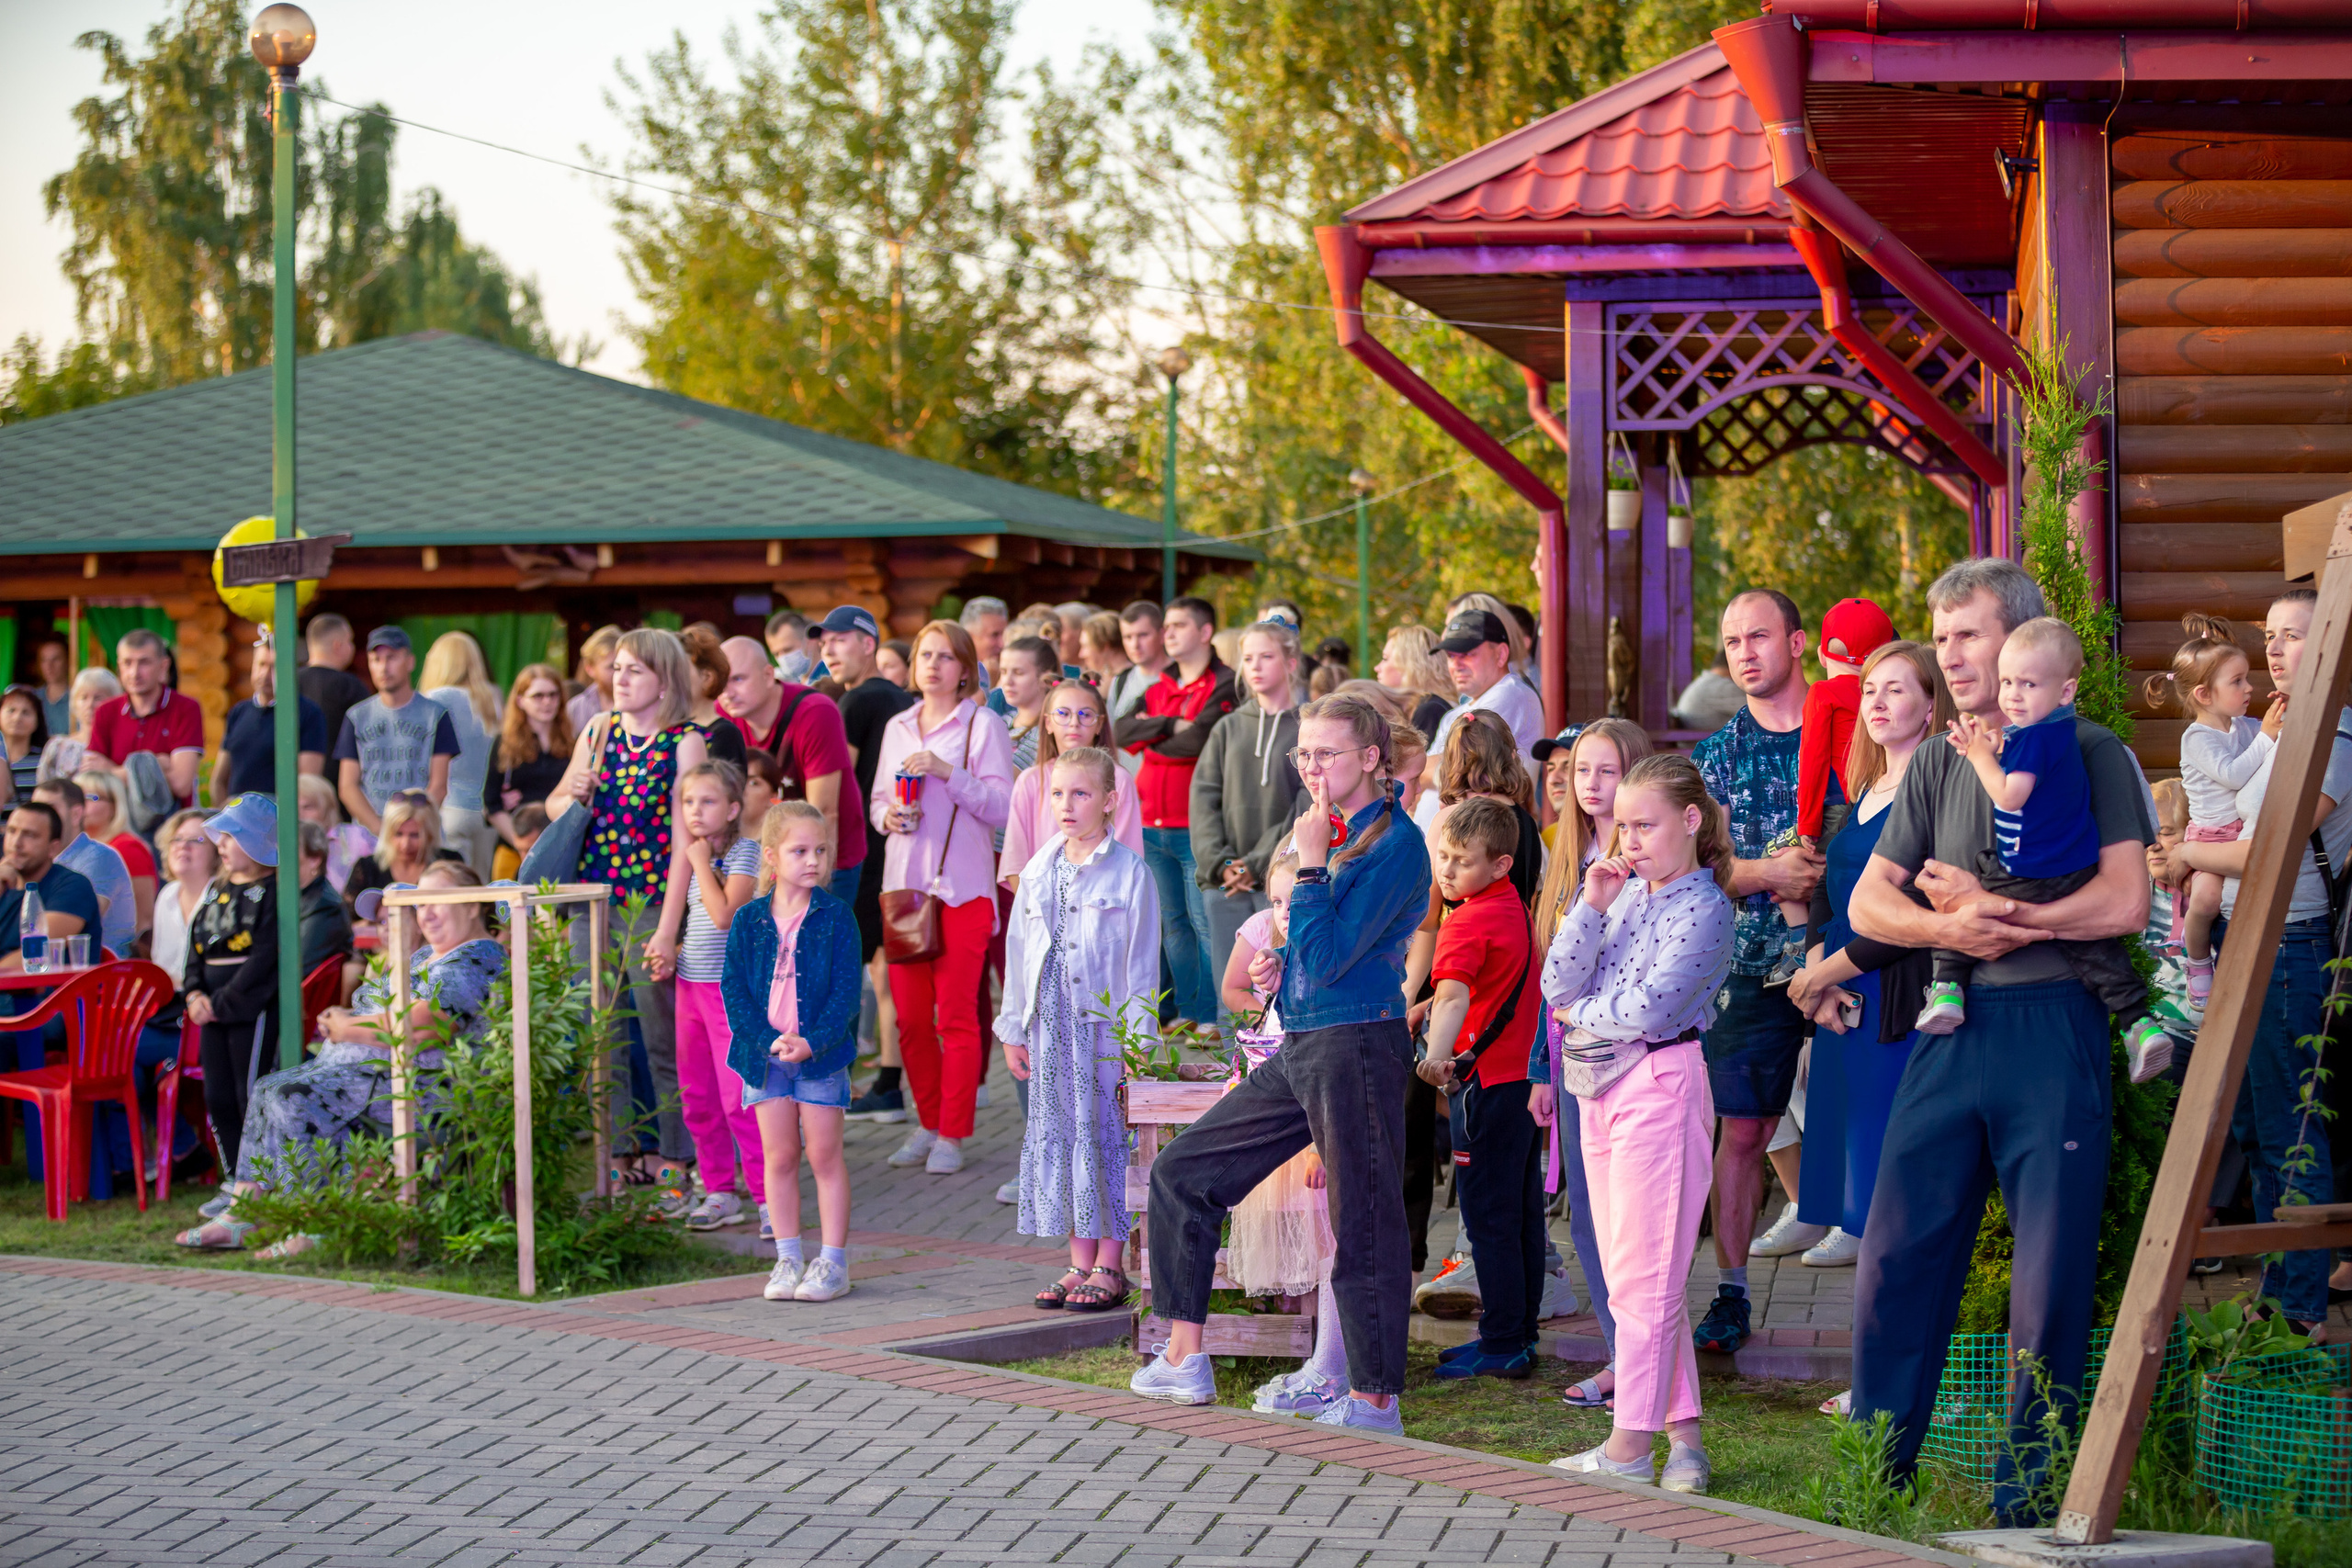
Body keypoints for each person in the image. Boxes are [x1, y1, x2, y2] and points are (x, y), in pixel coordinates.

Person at [1849, 558, 2155, 1521]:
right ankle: (1873, 1477)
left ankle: (2028, 1503)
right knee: (1895, 1254)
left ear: (2021, 635)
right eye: (1938, 639)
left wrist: (2005, 920)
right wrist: (1947, 929)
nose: (1951, 655)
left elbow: (2126, 900)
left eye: (1968, 634)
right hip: (1950, 1026)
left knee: (2050, 1276)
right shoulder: (1939, 757)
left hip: (2052, 1028)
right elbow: (1869, 902)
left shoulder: (2089, 748)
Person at [1135, 693, 1430, 1431]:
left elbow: (1335, 958)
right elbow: (1313, 954)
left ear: (1370, 758)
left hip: (1358, 1042)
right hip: (1302, 1040)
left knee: (1362, 1219)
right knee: (1184, 1171)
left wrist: (1309, 868)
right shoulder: (1328, 830)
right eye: (1303, 753)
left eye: (1326, 753)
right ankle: (1184, 1358)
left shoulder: (1397, 842)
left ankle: (1374, 1399)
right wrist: (1278, 967)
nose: (1311, 767)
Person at [1540, 752, 1736, 1494]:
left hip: (1661, 1083)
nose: (1628, 840)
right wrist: (1589, 905)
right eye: (1621, 825)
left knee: (1646, 1277)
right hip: (1600, 1088)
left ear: (1690, 820)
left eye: (1644, 824)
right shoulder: (1619, 894)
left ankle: (1629, 1447)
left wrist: (1577, 1018)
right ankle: (1684, 1441)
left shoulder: (1708, 907)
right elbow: (1557, 979)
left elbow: (1648, 1013)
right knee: (1632, 1278)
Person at [2159, 584, 2341, 1341]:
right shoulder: (2256, 726)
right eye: (2270, 634)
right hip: (2241, 932)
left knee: (2291, 1122)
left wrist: (2190, 852)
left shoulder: (2336, 731)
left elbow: (2274, 837)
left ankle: (2299, 1305)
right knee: (2260, 1123)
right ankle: (2278, 1287)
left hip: (2291, 940)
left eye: (2293, 635)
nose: (2273, 648)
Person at [180, 857, 506, 1254]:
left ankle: (315, 1225)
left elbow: (429, 1025)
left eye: (436, 900)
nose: (426, 914)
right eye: (420, 904)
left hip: (422, 1090)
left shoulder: (474, 957)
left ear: (473, 905)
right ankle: (242, 1215)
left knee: (292, 1097)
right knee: (269, 1088)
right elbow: (388, 1010)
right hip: (375, 1079)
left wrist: (347, 1029)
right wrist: (345, 1019)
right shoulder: (427, 957)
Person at [1917, 618, 2172, 1077]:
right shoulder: (2056, 729)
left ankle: (1948, 987)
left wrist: (1978, 759)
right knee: (2097, 952)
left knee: (1963, 904)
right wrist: (1992, 747)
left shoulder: (2034, 737)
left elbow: (2010, 795)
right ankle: (2140, 1024)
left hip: (2028, 868)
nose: (2012, 694)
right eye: (2009, 681)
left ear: (2066, 691)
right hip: (2072, 868)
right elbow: (2027, 761)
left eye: (2028, 684)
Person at [1781, 642, 1951, 1275]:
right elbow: (1832, 892)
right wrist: (1819, 974)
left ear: (1932, 706)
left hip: (1895, 997)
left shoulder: (1934, 790)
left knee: (1888, 1176)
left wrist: (1821, 975)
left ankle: (1886, 1349)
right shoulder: (1866, 788)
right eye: (1870, 690)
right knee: (1853, 1159)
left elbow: (1911, 912)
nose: (1876, 702)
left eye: (1896, 689)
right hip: (1844, 1002)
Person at [1688, 588, 1821, 1358]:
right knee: (1743, 1127)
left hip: (1850, 954)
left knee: (1877, 1119)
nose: (1744, 651)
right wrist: (1770, 871)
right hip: (1746, 965)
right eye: (1732, 639)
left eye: (1759, 635)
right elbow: (1699, 868)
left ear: (1797, 643)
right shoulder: (1715, 757)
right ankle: (1731, 1292)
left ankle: (1886, 1284)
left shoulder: (1847, 735)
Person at [547, 627, 710, 1190]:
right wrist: (574, 794)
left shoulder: (685, 741)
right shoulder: (597, 730)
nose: (620, 678)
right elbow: (554, 807)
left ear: (664, 681)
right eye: (616, 668)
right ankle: (614, 1155)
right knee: (602, 1035)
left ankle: (675, 1157)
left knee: (663, 1036)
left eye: (634, 669)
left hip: (648, 900)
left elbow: (688, 840)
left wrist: (668, 929)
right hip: (590, 900)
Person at [997, 746, 1159, 1313]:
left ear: (1110, 801)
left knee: (1105, 1135)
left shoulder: (1131, 872)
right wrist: (1013, 1027)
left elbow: (1141, 963)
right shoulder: (1040, 867)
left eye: (1081, 793)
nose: (1067, 805)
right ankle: (1078, 1260)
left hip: (1103, 1028)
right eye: (1058, 794)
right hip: (1051, 1025)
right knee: (1064, 1134)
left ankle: (1111, 1265)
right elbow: (1019, 950)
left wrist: (1140, 1045)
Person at [1521, 716, 1650, 1411]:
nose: (1589, 785)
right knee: (1588, 1219)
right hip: (1570, 1057)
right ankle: (1618, 1354)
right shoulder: (1565, 854)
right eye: (1579, 772)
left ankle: (1644, 1358)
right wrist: (1543, 1067)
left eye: (1606, 770)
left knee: (1628, 1216)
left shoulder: (1647, 854)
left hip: (1631, 1057)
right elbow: (1553, 975)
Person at [869, 621, 1014, 1175]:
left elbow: (1001, 807)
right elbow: (881, 797)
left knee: (956, 1017)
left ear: (964, 668)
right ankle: (926, 1123)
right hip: (904, 887)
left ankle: (952, 1133)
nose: (932, 665)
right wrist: (891, 815)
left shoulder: (983, 724)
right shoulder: (898, 725)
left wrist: (946, 772)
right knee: (908, 1019)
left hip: (964, 888)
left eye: (946, 657)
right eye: (925, 655)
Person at [1414, 796, 1547, 1382]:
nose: (1446, 871)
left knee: (1490, 1220)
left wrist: (1434, 1058)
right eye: (1442, 856)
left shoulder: (1464, 921)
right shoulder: (1513, 906)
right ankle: (1519, 1332)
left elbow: (1455, 997)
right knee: (1521, 1216)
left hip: (1485, 1086)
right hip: (1521, 1079)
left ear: (1498, 863)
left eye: (1461, 861)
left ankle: (1499, 1345)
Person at [728, 799, 862, 1303]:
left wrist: (813, 1042)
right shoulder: (748, 920)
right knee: (779, 1156)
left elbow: (847, 993)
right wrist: (767, 1041)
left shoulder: (836, 916)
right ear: (771, 856)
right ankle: (788, 1257)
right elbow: (734, 991)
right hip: (765, 1059)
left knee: (824, 1155)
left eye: (821, 850)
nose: (813, 860)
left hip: (820, 1058)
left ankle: (833, 1263)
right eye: (800, 850)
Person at [648, 761, 765, 1233]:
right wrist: (668, 952)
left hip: (727, 991)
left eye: (708, 801)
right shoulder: (692, 854)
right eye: (689, 802)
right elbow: (684, 922)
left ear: (733, 807)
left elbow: (723, 916)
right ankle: (719, 1190)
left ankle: (766, 1196)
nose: (695, 811)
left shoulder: (744, 853)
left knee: (738, 1096)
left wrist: (697, 860)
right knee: (696, 1095)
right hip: (690, 988)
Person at [1115, 596, 1237, 1037]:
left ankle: (1213, 1018)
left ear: (1204, 632)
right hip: (1150, 822)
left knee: (1205, 922)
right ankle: (1189, 1011)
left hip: (1197, 824)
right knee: (1172, 925)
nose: (1168, 634)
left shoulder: (1226, 682)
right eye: (1165, 626)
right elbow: (1120, 730)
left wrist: (1154, 736)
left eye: (1178, 626)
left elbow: (1200, 742)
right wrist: (1169, 725)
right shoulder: (1157, 682)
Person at [816, 606, 917, 1122]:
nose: (827, 650)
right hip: (897, 851)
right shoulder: (905, 700)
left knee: (845, 971)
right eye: (823, 643)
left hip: (864, 855)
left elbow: (837, 783)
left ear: (869, 643)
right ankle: (890, 1082)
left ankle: (836, 1083)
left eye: (839, 640)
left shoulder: (857, 700)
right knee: (885, 972)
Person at [2148, 615, 2269, 1009]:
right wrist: (2269, 735)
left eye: (2246, 678)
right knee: (2205, 900)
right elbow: (2233, 775)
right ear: (2203, 694)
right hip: (2209, 835)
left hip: (2240, 831)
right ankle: (2197, 960)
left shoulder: (2242, 727)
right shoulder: (2197, 737)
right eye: (2237, 682)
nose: (2249, 687)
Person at [1773, 598, 1894, 984]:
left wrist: (1806, 824)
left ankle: (1797, 944)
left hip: (1836, 810)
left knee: (1777, 855)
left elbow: (1811, 761)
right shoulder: (1881, 691)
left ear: (1824, 654)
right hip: (1875, 806)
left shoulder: (1822, 694)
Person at [1192, 621, 1307, 1001]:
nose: (1255, 666)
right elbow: (1204, 796)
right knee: (1233, 994)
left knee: (1275, 993)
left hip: (1279, 886)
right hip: (1224, 882)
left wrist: (1256, 864)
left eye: (1267, 656)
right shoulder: (1226, 728)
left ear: (1291, 663)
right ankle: (1231, 1063)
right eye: (1248, 658)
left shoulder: (1307, 729)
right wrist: (1222, 862)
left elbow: (1303, 808)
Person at [178, 794, 283, 1196]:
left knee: (249, 1096)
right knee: (217, 1097)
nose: (219, 844)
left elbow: (265, 955)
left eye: (230, 836)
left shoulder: (273, 891)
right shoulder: (213, 891)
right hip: (209, 1010)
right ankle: (234, 1179)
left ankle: (257, 1183)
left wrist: (222, 1003)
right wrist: (193, 995)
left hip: (249, 1012)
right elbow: (195, 948)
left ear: (257, 839)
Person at [718, 636, 862, 902]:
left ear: (768, 674)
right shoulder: (722, 715)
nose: (728, 692)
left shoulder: (815, 711)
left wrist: (816, 892)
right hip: (763, 858)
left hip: (827, 856)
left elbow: (825, 812)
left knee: (817, 940)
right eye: (722, 681)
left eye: (738, 679)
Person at [1001, 681, 1142, 888]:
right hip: (1041, 906)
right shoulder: (1029, 780)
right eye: (1063, 713)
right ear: (1048, 723)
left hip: (1102, 904)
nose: (1074, 722)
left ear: (1100, 724)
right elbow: (1015, 862)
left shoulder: (1118, 779)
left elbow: (1128, 855)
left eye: (1085, 714)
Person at [1419, 607, 1544, 822]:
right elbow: (1422, 772)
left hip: (1485, 839)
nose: (1456, 664)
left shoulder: (1510, 693)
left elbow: (1460, 770)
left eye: (1468, 654)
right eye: (1450, 655)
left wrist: (1429, 769)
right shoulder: (1456, 714)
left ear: (1501, 654)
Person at [334, 627, 459, 836]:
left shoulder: (436, 715)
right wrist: (379, 828)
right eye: (376, 659)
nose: (384, 667)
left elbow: (438, 786)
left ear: (410, 662)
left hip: (420, 833)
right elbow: (347, 786)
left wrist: (410, 829)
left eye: (391, 658)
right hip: (371, 836)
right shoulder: (356, 717)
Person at [1433, 712, 1544, 909]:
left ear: (1451, 762)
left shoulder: (1449, 818)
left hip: (1460, 935)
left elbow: (1426, 913)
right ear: (1511, 757)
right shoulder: (1527, 823)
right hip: (1513, 935)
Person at [86, 627, 205, 810]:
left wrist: (111, 770)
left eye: (144, 663)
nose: (134, 673)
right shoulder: (105, 711)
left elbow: (182, 785)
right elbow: (92, 782)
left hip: (170, 825)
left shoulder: (186, 708)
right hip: (118, 825)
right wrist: (158, 765)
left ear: (163, 666)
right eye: (127, 663)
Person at [417, 631, 503, 875]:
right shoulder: (492, 699)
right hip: (486, 813)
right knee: (483, 890)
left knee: (453, 890)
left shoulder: (434, 699)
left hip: (450, 808)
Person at [214, 635, 328, 802]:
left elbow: (307, 786)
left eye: (274, 667)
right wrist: (224, 815)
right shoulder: (239, 712)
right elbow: (218, 780)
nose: (265, 674)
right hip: (236, 819)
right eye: (261, 665)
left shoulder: (307, 713)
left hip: (279, 820)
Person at [31, 776, 133, 959]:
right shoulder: (37, 861)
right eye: (35, 809)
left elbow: (67, 928)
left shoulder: (99, 857)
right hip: (57, 970)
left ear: (76, 814)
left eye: (50, 809)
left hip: (105, 975)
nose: (39, 818)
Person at [491, 662, 575, 863]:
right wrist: (523, 845)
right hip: (516, 847)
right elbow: (491, 804)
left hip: (561, 843)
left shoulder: (574, 741)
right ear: (520, 700)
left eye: (553, 695)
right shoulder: (504, 744)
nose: (547, 702)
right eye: (538, 696)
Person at [74, 770, 158, 946]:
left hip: (118, 955)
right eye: (77, 797)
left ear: (114, 806)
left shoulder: (127, 847)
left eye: (92, 797)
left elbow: (144, 919)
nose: (81, 805)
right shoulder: (75, 849)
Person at [343, 793, 442, 921]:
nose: (405, 844)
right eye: (398, 834)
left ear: (430, 834)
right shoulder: (367, 867)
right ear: (387, 833)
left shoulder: (447, 863)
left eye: (415, 835)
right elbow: (346, 920)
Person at [297, 613, 369, 754]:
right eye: (350, 641)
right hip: (338, 774)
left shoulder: (289, 683)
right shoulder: (350, 686)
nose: (352, 647)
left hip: (294, 773)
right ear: (338, 646)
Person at [38, 666, 120, 784]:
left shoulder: (123, 746)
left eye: (98, 698)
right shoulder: (57, 747)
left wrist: (112, 770)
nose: (90, 704)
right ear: (74, 702)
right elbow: (42, 791)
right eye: (83, 698)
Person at [1374, 625, 1457, 741]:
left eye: (1385, 659)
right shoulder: (1426, 707)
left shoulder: (1431, 711)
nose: (1377, 668)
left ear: (1410, 664)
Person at [296, 819, 355, 979]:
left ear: (315, 859)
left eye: (288, 851)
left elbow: (299, 969)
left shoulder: (325, 907)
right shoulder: (294, 898)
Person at [298, 773, 369, 895]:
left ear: (327, 809)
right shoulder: (280, 846)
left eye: (308, 807)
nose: (299, 815)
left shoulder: (357, 837)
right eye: (294, 808)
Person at [1107, 602, 1169, 723]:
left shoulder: (1182, 678)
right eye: (1128, 637)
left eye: (1143, 635)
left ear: (1162, 634)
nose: (1135, 645)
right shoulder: (1120, 681)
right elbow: (1111, 733)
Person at [567, 624, 622, 732]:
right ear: (590, 669)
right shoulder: (577, 708)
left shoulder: (643, 705)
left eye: (623, 666)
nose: (619, 673)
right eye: (612, 666)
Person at [1673, 653, 1746, 734]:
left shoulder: (1705, 682)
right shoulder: (1721, 687)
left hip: (1696, 742)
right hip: (1704, 743)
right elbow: (1758, 713)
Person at [0, 684, 49, 801]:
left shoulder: (45, 760)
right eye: (11, 710)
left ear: (38, 720)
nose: (17, 718)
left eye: (26, 713)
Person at [959, 596, 1010, 694]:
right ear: (969, 638)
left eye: (1005, 635)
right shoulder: (953, 674)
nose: (1003, 643)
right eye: (994, 635)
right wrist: (988, 686)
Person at [1080, 612, 1130, 694]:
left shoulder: (1129, 682)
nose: (1081, 654)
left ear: (1104, 646)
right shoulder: (1104, 681)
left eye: (1085, 646)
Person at [764, 608, 816, 684]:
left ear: (810, 642)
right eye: (776, 654)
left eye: (787, 650)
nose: (782, 658)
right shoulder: (779, 681)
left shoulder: (833, 677)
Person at [35, 638, 72, 742]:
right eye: (44, 660)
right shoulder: (33, 698)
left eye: (56, 659)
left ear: (68, 661)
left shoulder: (79, 699)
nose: (49, 666)